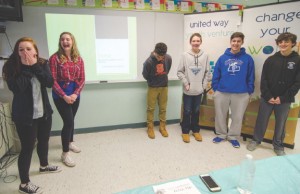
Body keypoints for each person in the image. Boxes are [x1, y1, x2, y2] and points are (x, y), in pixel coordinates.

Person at [2, 37, 61, 194]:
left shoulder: (42, 63)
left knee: (44, 140)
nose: (25, 52)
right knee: (27, 148)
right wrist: (27, 68)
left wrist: (34, 66)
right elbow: (17, 88)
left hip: (44, 112)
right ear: (16, 52)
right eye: (21, 49)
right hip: (24, 116)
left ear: (35, 51)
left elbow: (49, 82)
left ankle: (43, 165)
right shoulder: (10, 67)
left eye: (28, 49)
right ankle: (24, 184)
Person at [247, 32, 300, 156]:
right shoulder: (271, 59)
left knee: (281, 122)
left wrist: (282, 98)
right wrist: (269, 96)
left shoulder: (297, 60)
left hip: (284, 100)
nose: (283, 44)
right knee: (261, 120)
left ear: (293, 43)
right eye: (281, 42)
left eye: (286, 41)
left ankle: (278, 144)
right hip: (267, 98)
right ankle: (256, 140)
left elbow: (298, 83)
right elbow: (263, 80)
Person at [212, 32, 255, 148]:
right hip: (222, 91)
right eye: (234, 41)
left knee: (237, 116)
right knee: (220, 114)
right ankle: (221, 134)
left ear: (242, 42)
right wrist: (216, 88)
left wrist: (249, 91)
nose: (235, 43)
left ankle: (233, 136)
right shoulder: (222, 58)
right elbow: (216, 74)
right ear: (230, 42)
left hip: (241, 93)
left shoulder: (248, 59)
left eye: (238, 41)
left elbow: (251, 76)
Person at [49, 32, 85, 167]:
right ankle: (64, 154)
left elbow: (82, 79)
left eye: (68, 39)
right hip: (60, 95)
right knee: (68, 122)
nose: (65, 41)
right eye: (63, 39)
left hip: (75, 95)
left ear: (72, 41)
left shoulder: (78, 59)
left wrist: (75, 94)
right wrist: (64, 96)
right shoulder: (54, 58)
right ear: (60, 42)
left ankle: (70, 142)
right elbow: (52, 80)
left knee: (71, 119)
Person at [177, 33, 210, 143]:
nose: (196, 43)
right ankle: (185, 131)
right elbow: (179, 72)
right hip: (188, 90)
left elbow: (207, 73)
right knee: (187, 111)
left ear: (201, 42)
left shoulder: (205, 55)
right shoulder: (184, 55)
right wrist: (186, 83)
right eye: (194, 41)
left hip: (199, 90)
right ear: (190, 42)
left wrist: (203, 86)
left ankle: (195, 130)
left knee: (196, 111)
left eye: (198, 41)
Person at [142, 42, 172, 139]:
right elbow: (145, 75)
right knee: (151, 108)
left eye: (162, 57)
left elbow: (167, 70)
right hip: (153, 87)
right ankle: (150, 128)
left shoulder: (168, 58)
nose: (160, 59)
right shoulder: (148, 62)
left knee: (163, 108)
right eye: (159, 57)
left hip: (164, 87)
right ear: (154, 52)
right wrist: (153, 81)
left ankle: (162, 127)